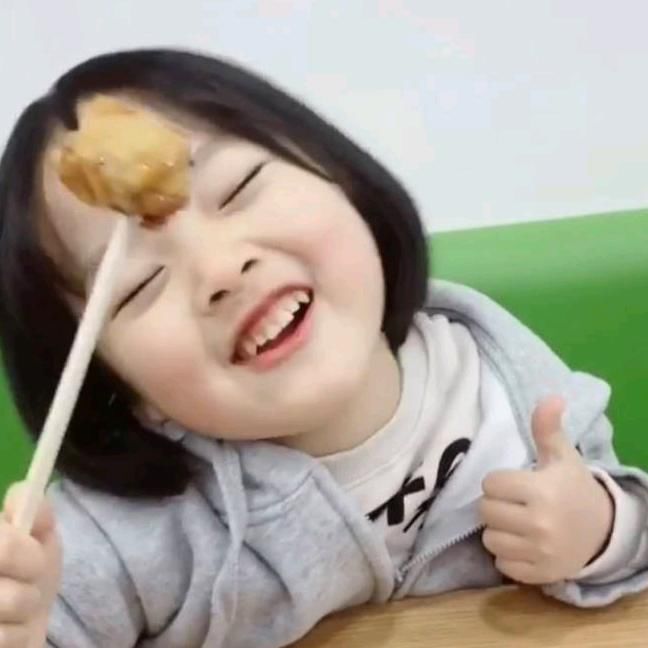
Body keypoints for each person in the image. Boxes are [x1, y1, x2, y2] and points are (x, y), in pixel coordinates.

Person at [0, 48, 647, 648]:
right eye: (139, 283)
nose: (221, 270)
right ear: (116, 386)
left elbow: (632, 540)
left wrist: (600, 530)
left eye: (238, 188)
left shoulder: (502, 382)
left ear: (343, 181)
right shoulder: (115, 541)